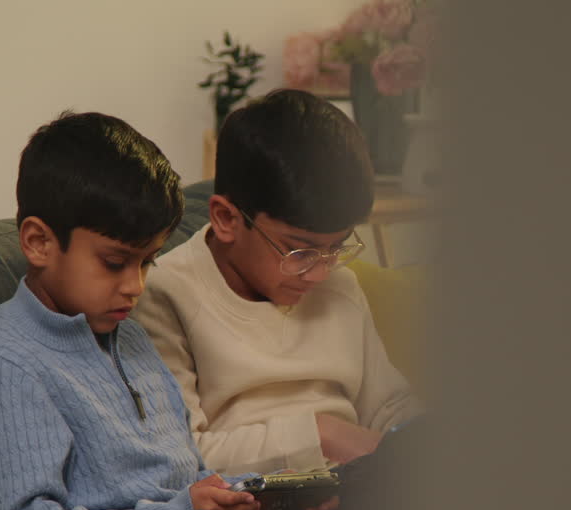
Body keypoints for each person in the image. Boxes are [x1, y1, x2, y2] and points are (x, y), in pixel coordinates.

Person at [0, 110, 345, 510]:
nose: (135, 287)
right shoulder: (9, 359)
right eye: (116, 262)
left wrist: (249, 503)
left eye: (148, 263)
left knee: (367, 496)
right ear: (38, 242)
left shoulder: (130, 333)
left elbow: (184, 474)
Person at [135, 89, 424, 477]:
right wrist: (322, 436)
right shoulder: (164, 293)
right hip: (251, 505)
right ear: (225, 219)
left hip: (355, 491)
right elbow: (183, 454)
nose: (320, 273)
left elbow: (388, 407)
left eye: (336, 247)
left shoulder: (341, 286)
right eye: (299, 250)